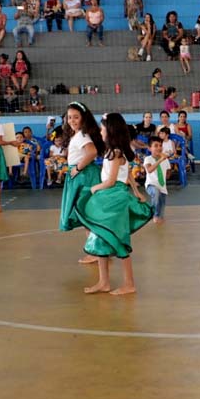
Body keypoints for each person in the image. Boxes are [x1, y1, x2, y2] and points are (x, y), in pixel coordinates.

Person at [75, 113, 152, 295]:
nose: (100, 131)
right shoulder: (113, 151)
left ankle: (129, 283)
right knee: (101, 236)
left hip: (114, 198)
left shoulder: (117, 153)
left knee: (119, 239)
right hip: (108, 197)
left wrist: (95, 188)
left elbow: (111, 181)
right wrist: (136, 190)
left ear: (110, 130)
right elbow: (129, 175)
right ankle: (104, 281)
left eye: (102, 128)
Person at [59, 101, 104, 233]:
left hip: (83, 176)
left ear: (83, 118)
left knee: (86, 213)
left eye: (76, 117)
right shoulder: (77, 134)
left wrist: (78, 168)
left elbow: (92, 152)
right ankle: (93, 249)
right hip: (81, 174)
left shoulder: (81, 135)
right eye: (69, 117)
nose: (72, 120)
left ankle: (96, 250)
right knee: (85, 214)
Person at [143, 137, 170, 224]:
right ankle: (154, 214)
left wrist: (165, 177)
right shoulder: (148, 159)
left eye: (160, 145)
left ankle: (158, 215)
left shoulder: (166, 160)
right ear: (149, 148)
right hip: (151, 185)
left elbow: (168, 171)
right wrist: (160, 160)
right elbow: (149, 170)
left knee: (161, 207)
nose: (159, 147)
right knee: (156, 192)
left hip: (162, 186)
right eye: (156, 146)